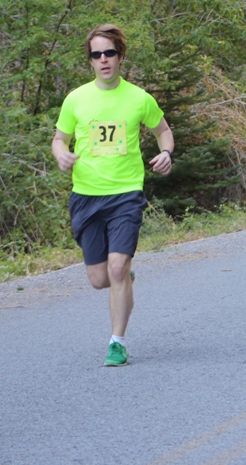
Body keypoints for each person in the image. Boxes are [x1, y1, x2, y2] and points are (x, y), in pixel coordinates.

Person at [52, 24, 174, 367]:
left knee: (117, 268)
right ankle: (123, 278)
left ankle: (116, 343)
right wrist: (60, 153)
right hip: (86, 196)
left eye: (109, 53)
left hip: (125, 195)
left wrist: (166, 153)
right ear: (90, 61)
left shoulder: (139, 98)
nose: (103, 60)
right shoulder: (76, 99)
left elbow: (164, 131)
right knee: (99, 279)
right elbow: (59, 138)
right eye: (96, 54)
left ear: (120, 57)